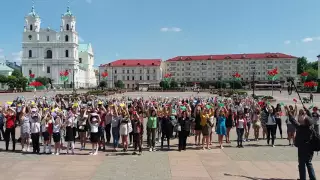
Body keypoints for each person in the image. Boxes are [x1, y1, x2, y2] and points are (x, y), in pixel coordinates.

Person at [285, 105, 317, 180]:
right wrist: (306, 109)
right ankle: (313, 178)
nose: (302, 116)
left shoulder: (300, 127)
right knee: (308, 163)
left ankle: (302, 178)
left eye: (304, 117)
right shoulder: (311, 127)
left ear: (304, 122)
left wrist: (288, 110)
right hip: (310, 148)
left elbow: (292, 120)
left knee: (302, 164)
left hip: (302, 148)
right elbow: (310, 117)